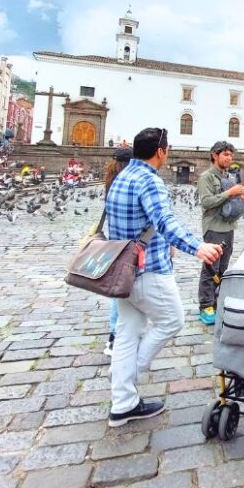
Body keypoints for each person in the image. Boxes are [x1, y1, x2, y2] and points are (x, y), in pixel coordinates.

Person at [105, 127, 222, 427]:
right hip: (148, 270)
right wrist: (197, 247)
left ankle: (123, 403)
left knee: (127, 333)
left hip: (122, 270)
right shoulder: (149, 181)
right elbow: (166, 222)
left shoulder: (121, 177)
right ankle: (131, 376)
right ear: (161, 152)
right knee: (173, 320)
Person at [196, 141, 244, 325]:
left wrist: (241, 198)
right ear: (214, 155)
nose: (229, 158)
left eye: (230, 155)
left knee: (223, 268)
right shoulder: (207, 177)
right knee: (210, 268)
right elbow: (207, 202)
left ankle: (218, 300)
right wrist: (230, 193)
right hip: (214, 228)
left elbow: (230, 201)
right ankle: (205, 305)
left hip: (228, 227)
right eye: (225, 154)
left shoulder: (229, 176)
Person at [102, 147, 133, 356]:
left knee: (120, 291)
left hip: (116, 242)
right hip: (129, 245)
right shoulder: (126, 183)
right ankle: (115, 335)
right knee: (123, 291)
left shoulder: (112, 179)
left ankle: (119, 334)